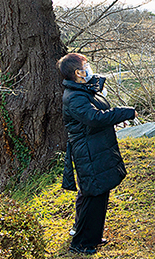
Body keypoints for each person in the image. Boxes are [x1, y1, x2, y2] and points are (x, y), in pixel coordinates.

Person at [59, 52, 136, 255]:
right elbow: (95, 117)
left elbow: (98, 102)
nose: (89, 69)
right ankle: (82, 243)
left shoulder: (82, 90)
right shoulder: (74, 97)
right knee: (94, 194)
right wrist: (125, 112)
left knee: (95, 194)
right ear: (77, 72)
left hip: (96, 148)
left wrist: (96, 81)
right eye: (86, 66)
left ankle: (90, 235)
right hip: (89, 152)